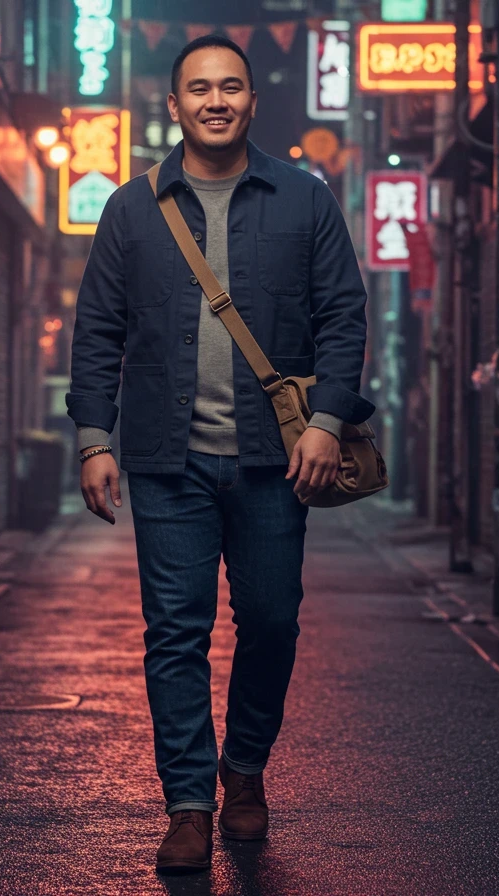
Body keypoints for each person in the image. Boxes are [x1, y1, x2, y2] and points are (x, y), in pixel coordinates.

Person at [66, 35, 374, 874]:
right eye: (197, 88)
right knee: (175, 633)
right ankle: (190, 803)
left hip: (276, 463)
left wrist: (326, 422)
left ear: (250, 101)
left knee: (272, 621)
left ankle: (245, 770)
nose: (214, 100)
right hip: (167, 463)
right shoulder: (132, 208)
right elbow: (96, 332)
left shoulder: (305, 201)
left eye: (229, 87)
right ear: (173, 106)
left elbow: (346, 317)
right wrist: (95, 438)